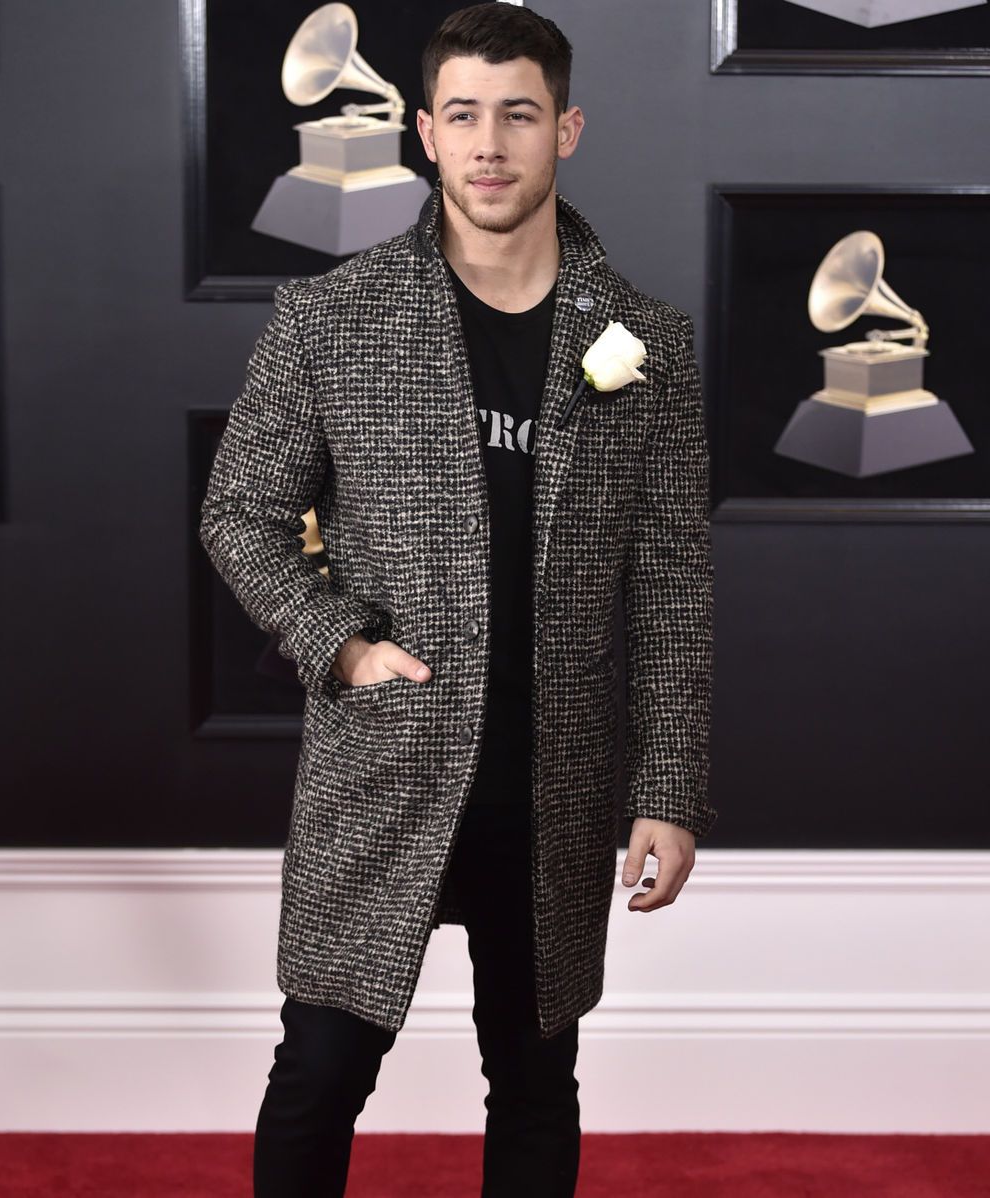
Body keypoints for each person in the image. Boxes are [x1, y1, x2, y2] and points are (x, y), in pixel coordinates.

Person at [198, 4, 717, 1196]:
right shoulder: (329, 319)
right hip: (384, 763)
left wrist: (671, 787)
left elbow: (674, 586)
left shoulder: (650, 343)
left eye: (520, 115)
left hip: (560, 783)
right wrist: (343, 647)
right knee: (318, 1071)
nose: (492, 145)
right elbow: (240, 514)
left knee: (536, 1085)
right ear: (425, 132)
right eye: (466, 116)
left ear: (566, 130)